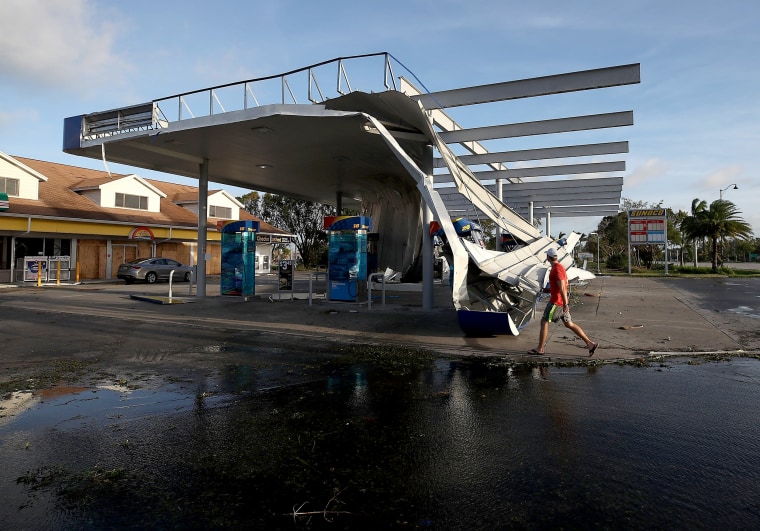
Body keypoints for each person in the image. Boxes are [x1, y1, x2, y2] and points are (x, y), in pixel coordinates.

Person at [529, 248, 599, 356]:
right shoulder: (558, 267)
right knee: (569, 324)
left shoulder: (557, 269)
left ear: (548, 257)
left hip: (556, 303)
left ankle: (540, 348)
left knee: (544, 322)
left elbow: (562, 286)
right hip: (561, 302)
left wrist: (566, 304)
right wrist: (547, 290)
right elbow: (560, 286)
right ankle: (590, 344)